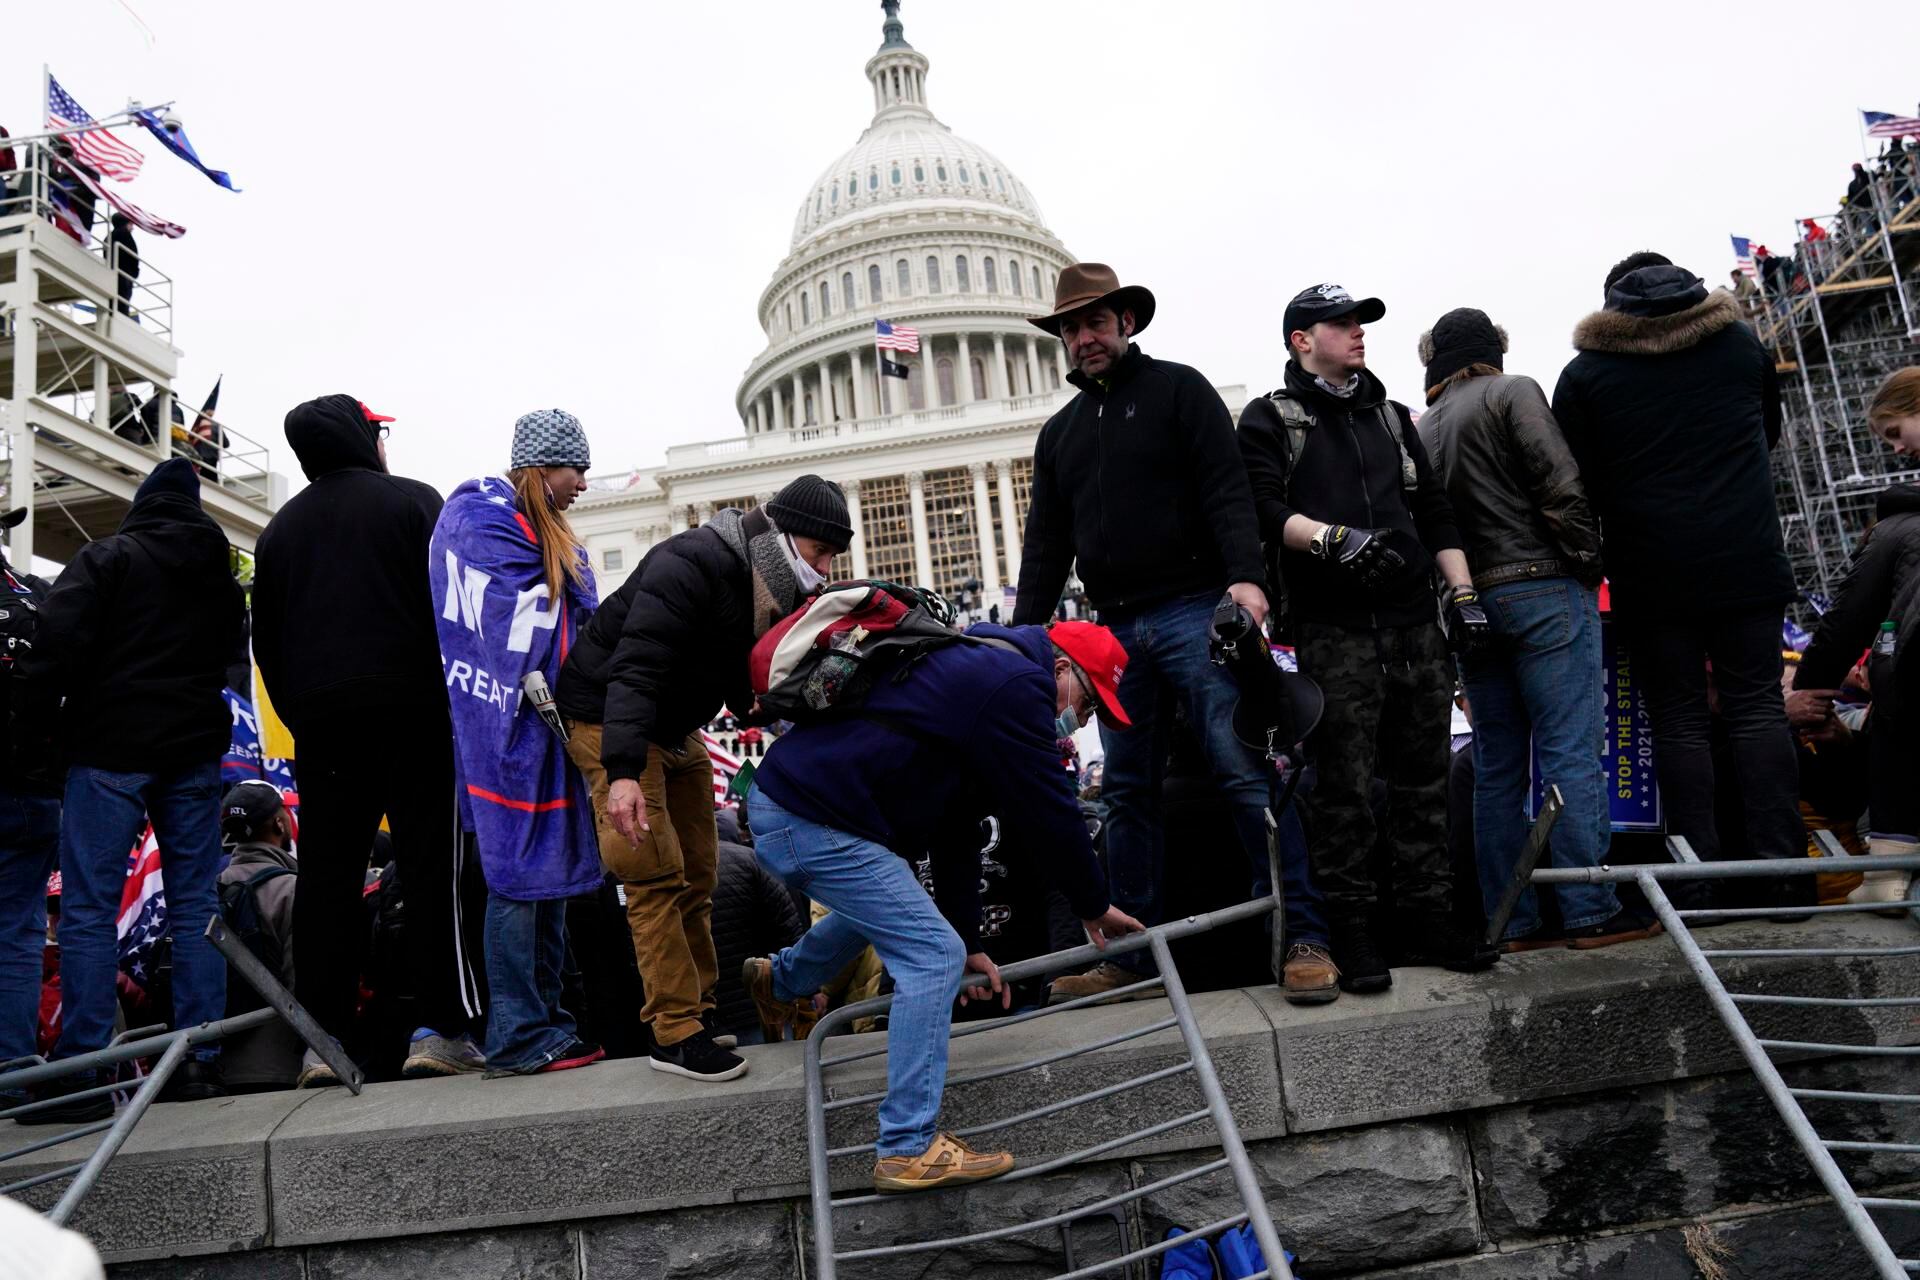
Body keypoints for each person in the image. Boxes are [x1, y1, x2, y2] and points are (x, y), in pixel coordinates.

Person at [1009, 263, 1332, 1007]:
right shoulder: (1059, 435)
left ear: (1126, 322)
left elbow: (1226, 490)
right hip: (1116, 628)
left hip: (1193, 606)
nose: (1083, 337)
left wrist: (1245, 580)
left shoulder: (1179, 391)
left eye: (1095, 322)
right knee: (1125, 792)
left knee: (1245, 769)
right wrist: (1024, 639)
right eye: (1070, 327)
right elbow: (1045, 546)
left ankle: (1304, 933)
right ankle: (1130, 957)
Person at [743, 618, 1143, 1193]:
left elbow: (956, 829)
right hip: (810, 818)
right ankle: (907, 1146)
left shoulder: (982, 672)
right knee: (932, 954)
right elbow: (1051, 809)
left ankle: (780, 982)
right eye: (1088, 702)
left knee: (898, 915)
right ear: (1060, 669)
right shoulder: (1015, 685)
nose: (1083, 722)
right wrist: (1093, 903)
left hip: (799, 809)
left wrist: (973, 944)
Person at [1237, 284, 1496, 993]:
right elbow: (1261, 506)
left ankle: (1427, 917)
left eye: (1360, 323)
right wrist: (1334, 542)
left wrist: (1463, 595)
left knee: (1424, 781)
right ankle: (1352, 927)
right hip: (1333, 631)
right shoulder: (1270, 418)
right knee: (1343, 788)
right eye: (1341, 323)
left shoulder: (1389, 417)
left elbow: (1434, 508)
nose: (1357, 333)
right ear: (1300, 339)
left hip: (1416, 624)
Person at [555, 474, 850, 1081]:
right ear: (787, 537)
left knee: (700, 873)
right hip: (609, 718)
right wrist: (623, 773)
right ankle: (673, 1032)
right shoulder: (688, 562)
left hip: (673, 722)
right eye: (819, 554)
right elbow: (634, 668)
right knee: (652, 874)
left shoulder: (762, 579)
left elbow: (728, 663)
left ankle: (700, 1011)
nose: (823, 571)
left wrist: (760, 708)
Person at [1551, 254, 1809, 914]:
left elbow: (1575, 478)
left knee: (1679, 720)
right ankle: (1785, 877)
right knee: (1757, 709)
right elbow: (1769, 431)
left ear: (1612, 307)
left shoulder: (1586, 374)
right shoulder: (1739, 345)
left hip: (1652, 571)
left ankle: (1698, 885)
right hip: (1748, 556)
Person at [252, 395, 483, 1084]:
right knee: (431, 867)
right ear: (363, 437)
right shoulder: (415, 503)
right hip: (413, 712)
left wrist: (304, 716)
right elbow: (456, 611)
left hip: (324, 727)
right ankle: (441, 1028)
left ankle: (322, 1042)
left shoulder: (280, 533)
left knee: (326, 881)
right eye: (377, 430)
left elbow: (267, 645)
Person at [1415, 307, 1657, 950]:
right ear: (1494, 349)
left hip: (1469, 605)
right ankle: (1589, 910)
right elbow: (1561, 482)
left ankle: (1511, 921)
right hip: (1543, 587)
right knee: (1568, 751)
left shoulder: (1424, 425)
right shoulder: (1512, 390)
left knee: (1496, 764)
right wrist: (1586, 563)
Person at [16, 459, 246, 1120]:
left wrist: (37, 743)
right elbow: (229, 663)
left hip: (108, 749)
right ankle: (199, 1059)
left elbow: (48, 648)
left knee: (88, 907)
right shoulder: (221, 582)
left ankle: (82, 1070)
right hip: (194, 756)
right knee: (196, 901)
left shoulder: (109, 557)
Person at [431, 410, 606, 1076]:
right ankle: (516, 1031)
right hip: (504, 728)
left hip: (545, 728)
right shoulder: (481, 522)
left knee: (550, 877)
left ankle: (550, 1022)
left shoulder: (541, 532)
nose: (583, 484)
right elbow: (511, 628)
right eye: (575, 469)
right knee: (515, 880)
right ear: (540, 468)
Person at [1792, 368, 1920, 907]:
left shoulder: (1897, 528)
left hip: (1913, 677)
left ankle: (1885, 881)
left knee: (1893, 732)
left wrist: (1811, 691)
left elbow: (1846, 622)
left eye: (1895, 432)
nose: (1896, 450)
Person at [0, 509, 60, 1106]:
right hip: (29, 789)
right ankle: (12, 1068)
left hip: (30, 792)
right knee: (18, 933)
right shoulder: (36, 597)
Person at [214, 780, 302, 1093]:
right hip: (281, 1065)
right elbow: (302, 982)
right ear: (280, 822)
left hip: (216, 1062)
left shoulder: (206, 892)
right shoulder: (292, 889)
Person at [108, 213, 137, 319]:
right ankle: (121, 317)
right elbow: (133, 255)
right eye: (131, 224)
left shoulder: (109, 237)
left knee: (112, 301)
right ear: (125, 223)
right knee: (123, 302)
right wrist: (135, 272)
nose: (133, 227)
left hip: (111, 273)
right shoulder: (125, 235)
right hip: (124, 275)